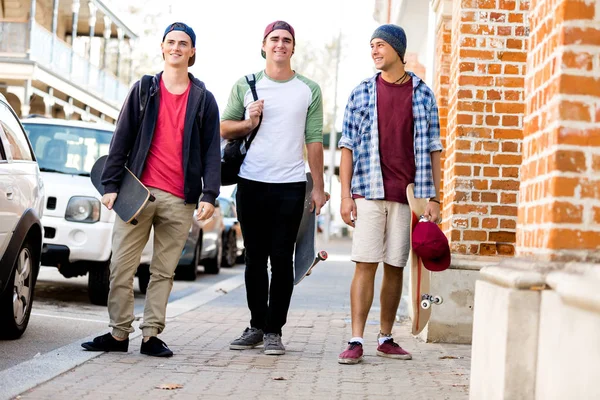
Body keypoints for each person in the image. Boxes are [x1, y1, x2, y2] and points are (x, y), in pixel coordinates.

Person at [82, 22, 221, 357]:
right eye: (170, 42)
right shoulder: (144, 89)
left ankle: (150, 336)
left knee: (163, 273)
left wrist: (209, 195)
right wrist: (111, 184)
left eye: (183, 43)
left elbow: (211, 150)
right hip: (137, 194)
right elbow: (122, 138)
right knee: (121, 268)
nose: (176, 47)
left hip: (180, 199)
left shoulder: (203, 99)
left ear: (192, 52)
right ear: (162, 47)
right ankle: (118, 334)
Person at [337, 24, 443, 364]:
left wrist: (436, 199)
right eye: (372, 46)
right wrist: (345, 195)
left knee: (395, 266)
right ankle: (356, 339)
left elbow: (435, 150)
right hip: (368, 191)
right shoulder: (361, 93)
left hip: (408, 195)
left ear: (398, 49)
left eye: (380, 45)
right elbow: (347, 147)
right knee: (365, 263)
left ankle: (385, 337)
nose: (375, 51)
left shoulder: (423, 94)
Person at [220, 20, 327, 356]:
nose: (280, 44)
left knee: (282, 260)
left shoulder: (308, 89)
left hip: (291, 185)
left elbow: (313, 140)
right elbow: (224, 128)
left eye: (287, 40)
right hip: (251, 182)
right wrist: (249, 122)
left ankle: (274, 331)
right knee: (254, 259)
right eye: (274, 39)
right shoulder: (246, 85)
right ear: (264, 45)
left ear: (293, 48)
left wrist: (319, 187)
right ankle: (255, 325)